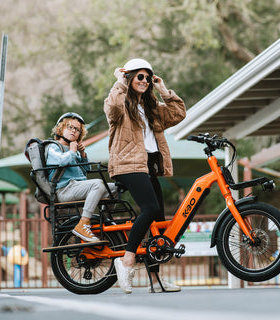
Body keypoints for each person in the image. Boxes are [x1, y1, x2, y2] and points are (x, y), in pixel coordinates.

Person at [103, 58, 186, 294]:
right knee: (149, 209)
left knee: (157, 220)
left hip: (148, 165)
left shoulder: (152, 109)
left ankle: (155, 279)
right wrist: (119, 83)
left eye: (148, 78)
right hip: (127, 164)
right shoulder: (120, 103)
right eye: (140, 76)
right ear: (129, 77)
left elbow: (178, 114)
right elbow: (112, 108)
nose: (145, 81)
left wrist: (163, 90)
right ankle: (126, 260)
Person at [46, 112, 118, 242]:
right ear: (61, 128)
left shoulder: (73, 149)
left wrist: (83, 154)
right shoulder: (53, 147)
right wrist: (72, 151)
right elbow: (61, 162)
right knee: (97, 184)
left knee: (115, 188)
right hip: (64, 190)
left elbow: (86, 170)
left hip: (77, 187)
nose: (73, 131)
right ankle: (83, 223)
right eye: (70, 127)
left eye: (77, 129)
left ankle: (104, 222)